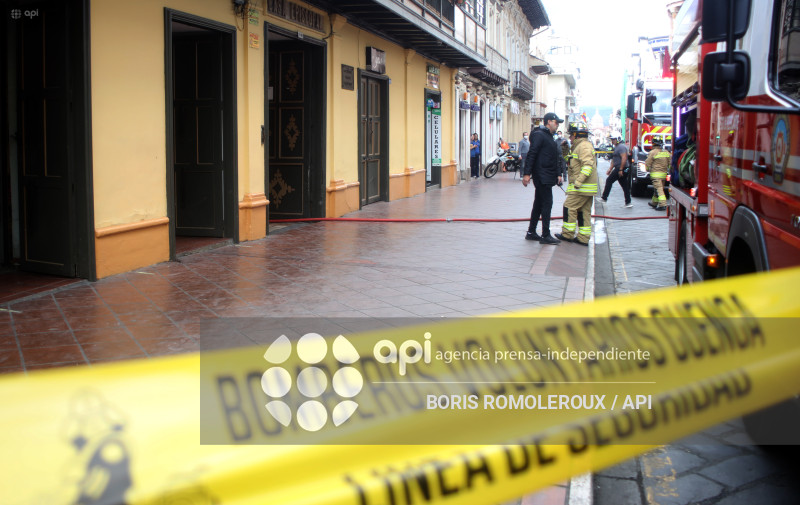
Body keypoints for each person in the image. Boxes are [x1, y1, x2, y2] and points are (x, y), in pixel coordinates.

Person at [521, 113, 564, 245]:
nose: (557, 125)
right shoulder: (540, 135)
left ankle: (531, 232)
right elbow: (532, 154)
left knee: (539, 204)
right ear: (549, 122)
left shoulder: (549, 136)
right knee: (547, 203)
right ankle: (545, 234)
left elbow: (554, 156)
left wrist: (558, 173)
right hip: (542, 175)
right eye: (556, 122)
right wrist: (526, 174)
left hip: (547, 174)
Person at [556, 122, 597, 246]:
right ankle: (583, 238)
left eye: (571, 135)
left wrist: (578, 182)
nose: (570, 138)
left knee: (569, 207)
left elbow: (587, 166)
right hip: (586, 188)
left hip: (581, 187)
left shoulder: (583, 147)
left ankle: (567, 234)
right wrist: (565, 150)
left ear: (576, 135)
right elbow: (572, 162)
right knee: (584, 211)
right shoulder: (580, 146)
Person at [600, 136, 632, 207]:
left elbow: (624, 158)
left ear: (618, 139)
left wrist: (621, 169)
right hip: (620, 168)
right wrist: (610, 169)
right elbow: (614, 160)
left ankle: (604, 198)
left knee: (609, 180)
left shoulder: (621, 147)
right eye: (612, 139)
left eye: (613, 139)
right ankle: (628, 202)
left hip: (621, 168)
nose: (612, 141)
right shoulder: (617, 147)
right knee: (624, 185)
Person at [645, 136, 670, 210]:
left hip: (656, 175)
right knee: (658, 189)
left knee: (659, 189)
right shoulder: (666, 152)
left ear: (653, 143)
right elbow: (670, 163)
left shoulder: (652, 152)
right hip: (664, 174)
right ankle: (654, 203)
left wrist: (647, 169)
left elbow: (648, 163)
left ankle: (663, 204)